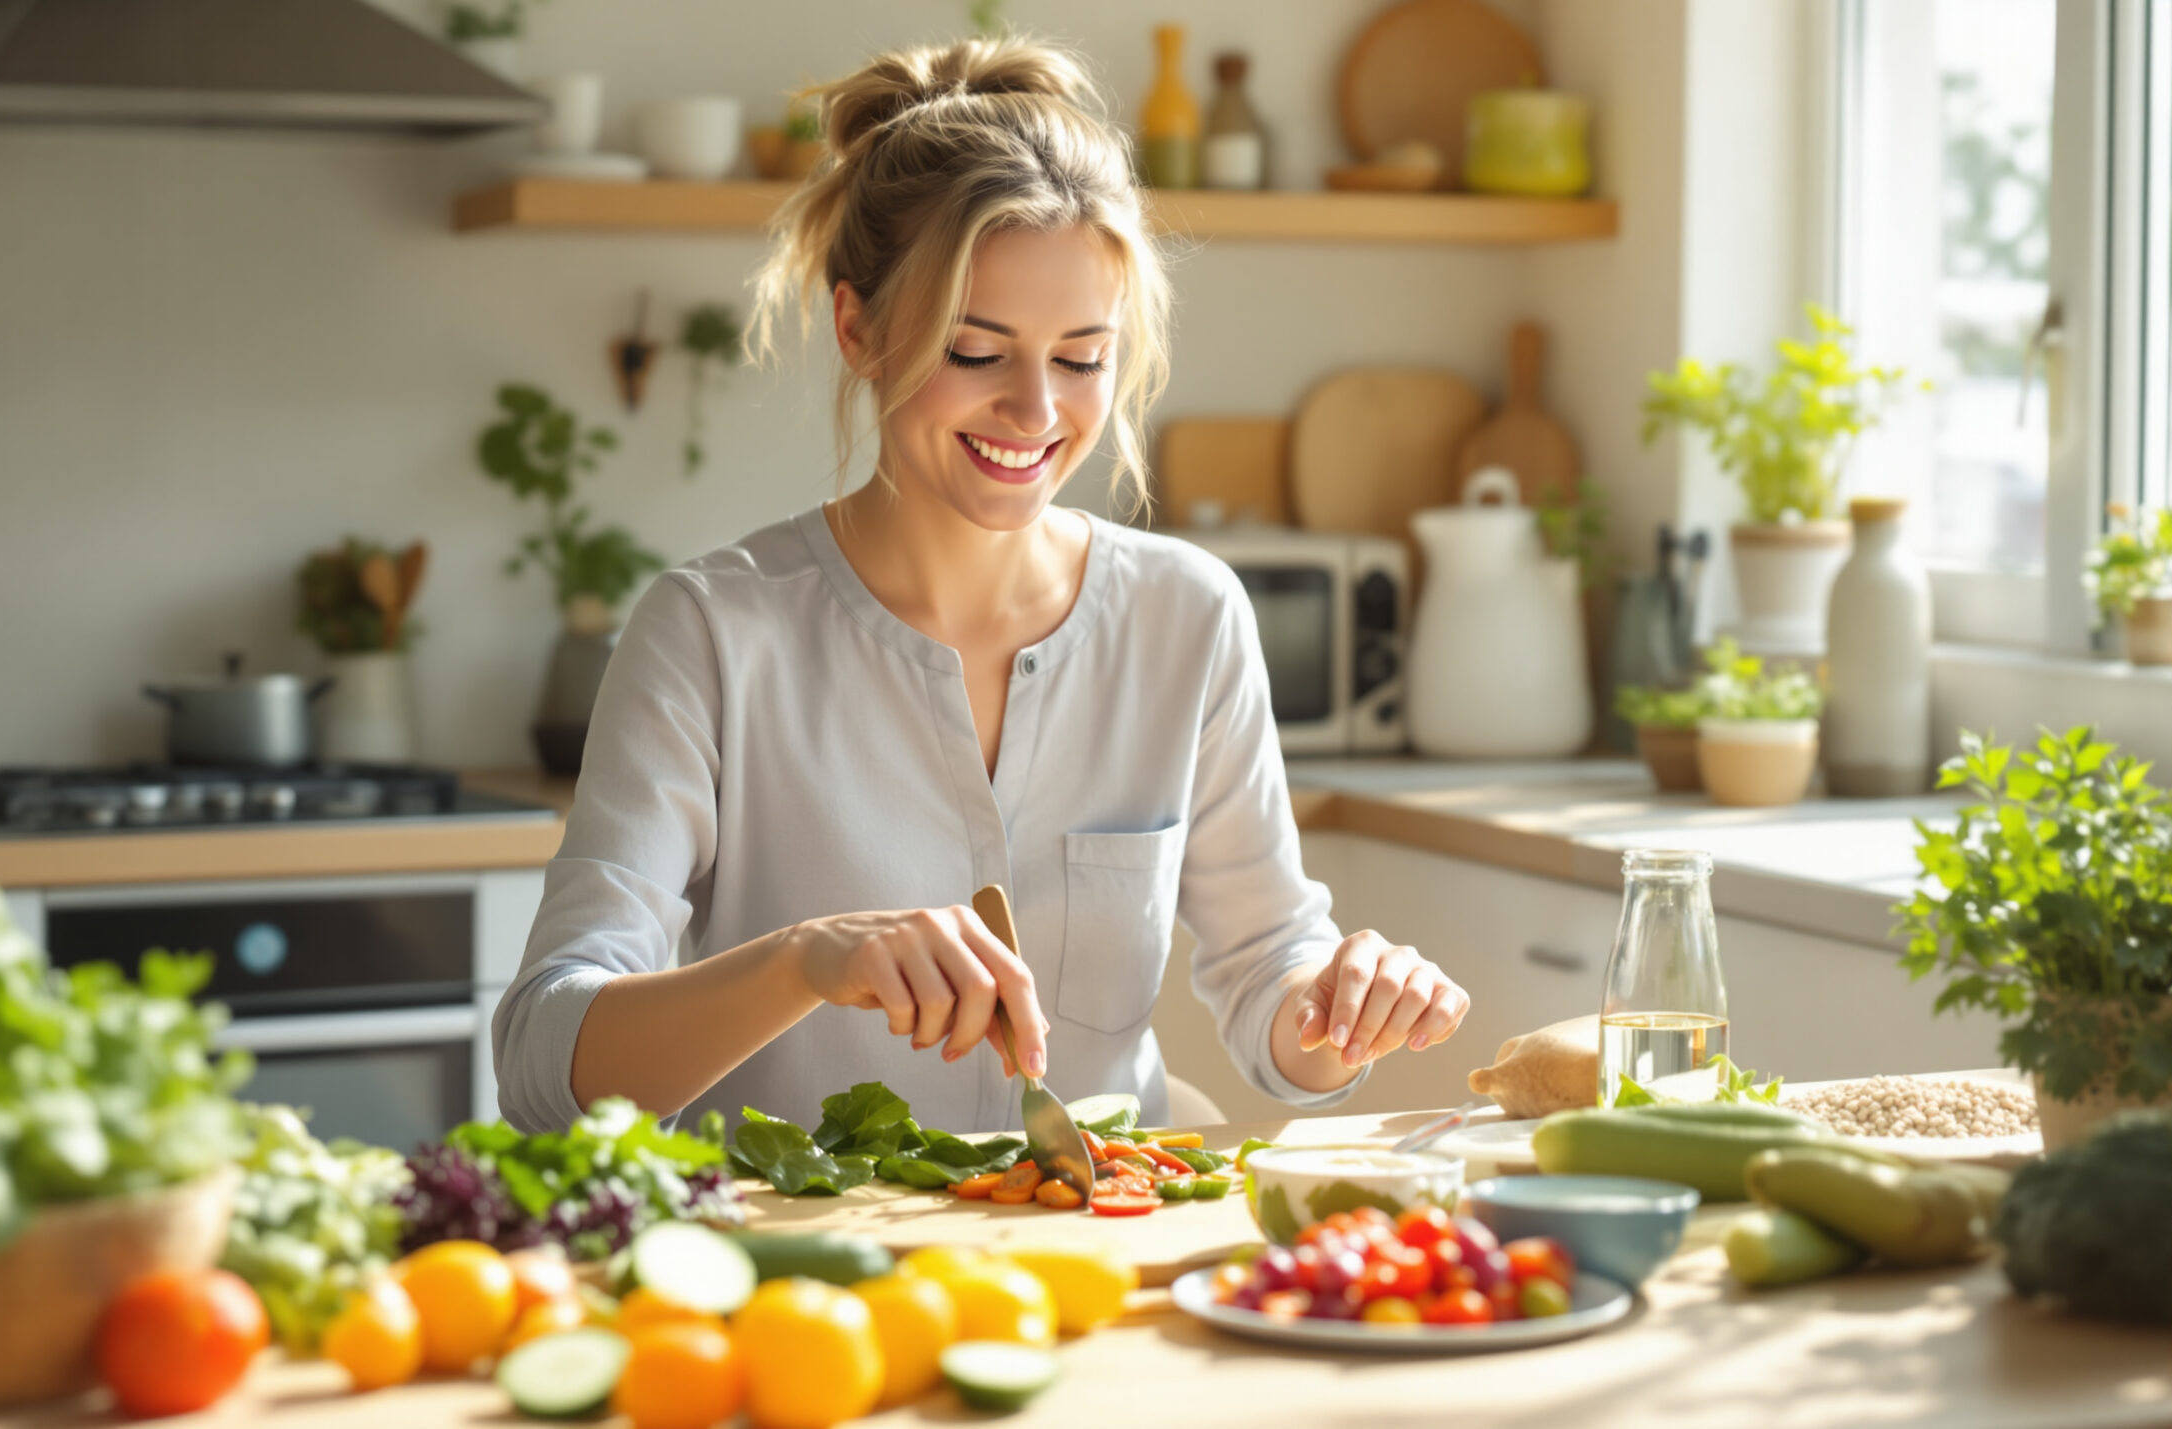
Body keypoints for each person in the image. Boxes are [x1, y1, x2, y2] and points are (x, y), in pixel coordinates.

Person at [492, 35, 1469, 1137]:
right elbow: (539, 1059)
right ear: (857, 326)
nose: (1036, 411)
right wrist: (807, 962)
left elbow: (1266, 972)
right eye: (975, 350)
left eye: (1081, 358)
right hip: (806, 1283)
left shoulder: (1184, 614)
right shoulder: (714, 632)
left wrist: (1341, 1006)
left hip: (1088, 1263)